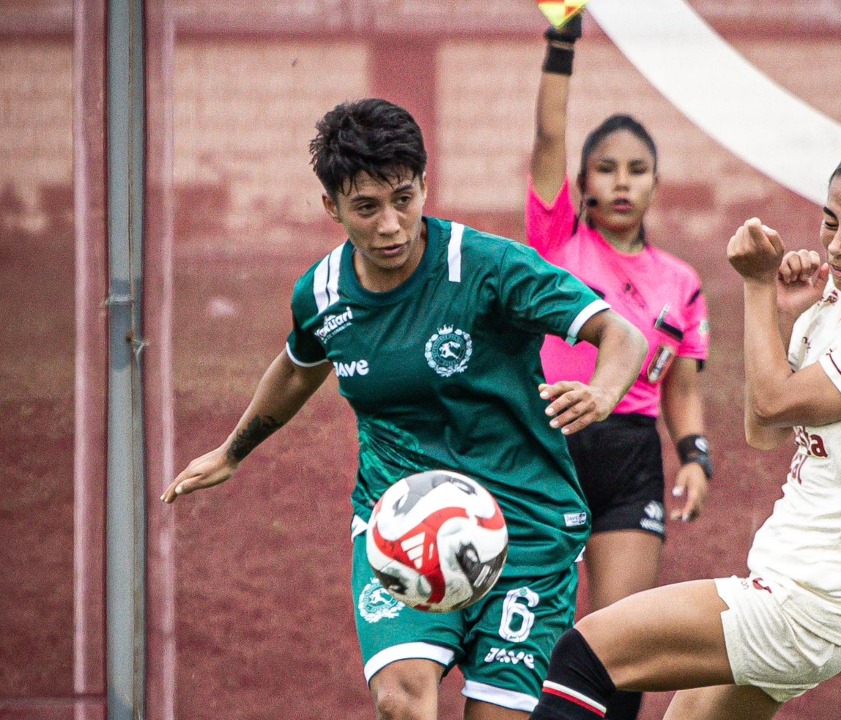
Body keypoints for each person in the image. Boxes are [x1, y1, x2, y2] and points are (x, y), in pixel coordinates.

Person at [161, 98, 647, 720]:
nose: (391, 224)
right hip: (399, 524)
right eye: (366, 207)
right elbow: (298, 366)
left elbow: (620, 334)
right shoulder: (324, 293)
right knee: (401, 698)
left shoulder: (488, 267)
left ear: (424, 186)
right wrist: (233, 451)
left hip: (526, 529)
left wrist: (603, 391)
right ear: (332, 207)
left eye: (404, 198)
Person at [526, 99, 841, 720]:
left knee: (584, 654)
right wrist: (787, 313)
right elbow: (763, 430)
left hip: (809, 604)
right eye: (829, 222)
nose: (837, 247)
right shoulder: (838, 304)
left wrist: (757, 287)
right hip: (795, 591)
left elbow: (768, 399)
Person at [525, 18, 713, 717]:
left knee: (622, 647)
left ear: (657, 183)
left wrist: (695, 456)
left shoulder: (681, 281)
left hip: (632, 463)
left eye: (637, 169)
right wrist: (563, 42)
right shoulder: (557, 241)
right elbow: (547, 137)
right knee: (538, 642)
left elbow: (681, 390)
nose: (622, 181)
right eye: (606, 168)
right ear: (581, 184)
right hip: (547, 445)